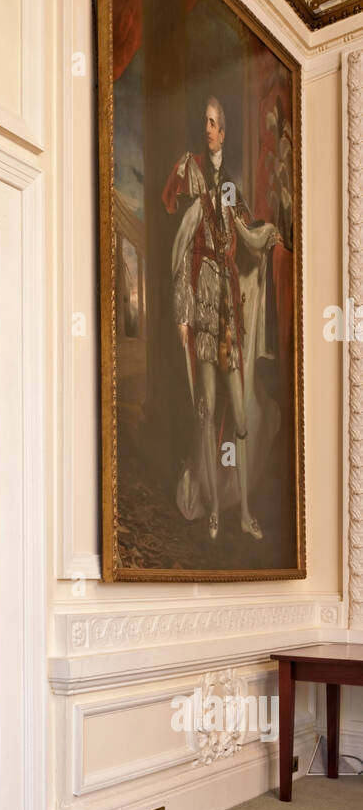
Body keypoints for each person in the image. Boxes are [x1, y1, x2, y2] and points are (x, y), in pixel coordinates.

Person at [163, 97, 282, 542]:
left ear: (225, 132)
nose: (208, 130)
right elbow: (183, 256)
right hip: (204, 308)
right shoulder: (195, 183)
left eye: (214, 124)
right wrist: (183, 314)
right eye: (205, 123)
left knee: (242, 419)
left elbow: (246, 232)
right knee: (206, 411)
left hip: (229, 307)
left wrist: (265, 235)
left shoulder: (228, 187)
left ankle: (246, 511)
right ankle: (214, 508)